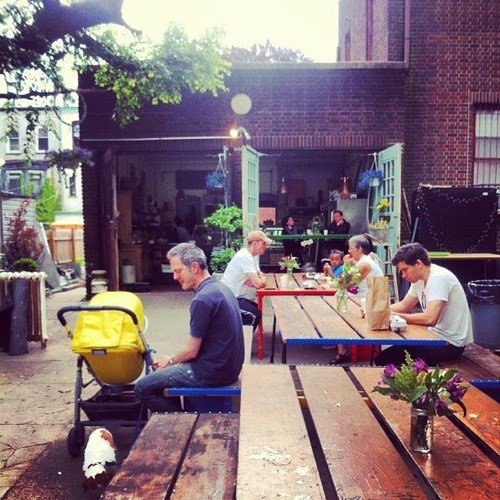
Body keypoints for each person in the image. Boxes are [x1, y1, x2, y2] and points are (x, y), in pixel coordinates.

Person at [134, 243, 244, 412]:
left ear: (194, 267)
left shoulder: (203, 299)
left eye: (178, 271)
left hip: (212, 373)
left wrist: (169, 361)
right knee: (164, 376)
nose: (175, 277)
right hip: (229, 368)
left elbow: (191, 351)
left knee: (142, 387)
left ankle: (181, 421)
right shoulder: (221, 288)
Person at [374, 242, 472, 367]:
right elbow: (404, 305)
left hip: (450, 344)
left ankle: (403, 386)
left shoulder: (438, 278)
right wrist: (377, 310)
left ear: (418, 264)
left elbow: (430, 318)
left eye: (405, 270)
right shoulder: (419, 279)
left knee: (385, 359)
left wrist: (391, 314)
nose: (403, 275)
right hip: (433, 337)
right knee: (386, 356)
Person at [330, 234, 383, 365]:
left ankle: (342, 350)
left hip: (370, 301)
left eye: (351, 248)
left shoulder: (365, 264)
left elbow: (345, 283)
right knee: (337, 301)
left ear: (359, 249)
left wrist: (343, 267)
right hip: (365, 297)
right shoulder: (364, 261)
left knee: (337, 310)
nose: (348, 251)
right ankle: (340, 346)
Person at [220, 230, 273, 331]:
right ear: (254, 243)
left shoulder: (252, 256)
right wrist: (259, 281)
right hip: (230, 298)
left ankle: (241, 339)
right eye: (263, 243)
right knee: (255, 314)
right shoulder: (245, 256)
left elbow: (260, 275)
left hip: (237, 297)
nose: (265, 246)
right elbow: (258, 283)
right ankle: (242, 342)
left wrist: (259, 279)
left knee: (256, 310)